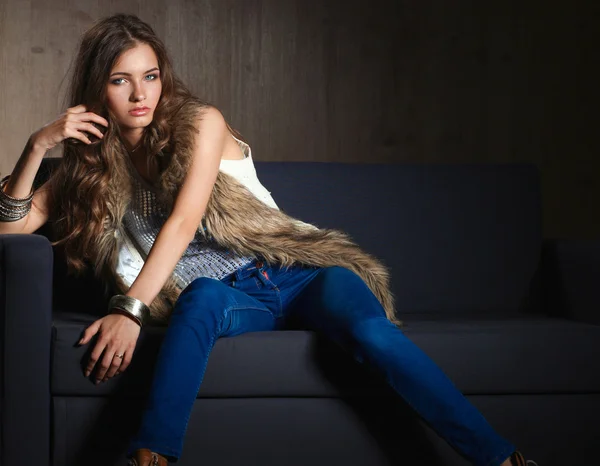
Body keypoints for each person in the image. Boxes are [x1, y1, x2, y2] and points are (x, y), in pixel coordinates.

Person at [0, 13, 538, 466]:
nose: (141, 94)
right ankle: (153, 457)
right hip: (232, 296)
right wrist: (36, 145)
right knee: (201, 296)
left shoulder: (200, 123)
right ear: (98, 89)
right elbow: (10, 229)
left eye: (151, 75)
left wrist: (130, 309)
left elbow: (183, 223)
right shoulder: (87, 168)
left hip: (296, 273)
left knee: (372, 336)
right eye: (121, 80)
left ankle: (504, 460)